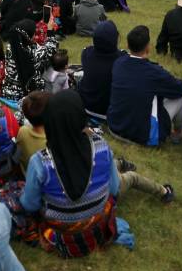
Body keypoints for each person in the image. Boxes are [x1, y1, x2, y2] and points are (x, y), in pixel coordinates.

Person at [20, 91, 171, 259]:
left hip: (59, 233)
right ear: (80, 117)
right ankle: (161, 190)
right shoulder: (101, 147)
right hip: (98, 225)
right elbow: (114, 189)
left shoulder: (39, 161)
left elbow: (29, 205)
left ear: (50, 121)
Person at [107, 26, 182, 146]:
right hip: (141, 136)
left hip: (114, 127)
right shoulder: (154, 73)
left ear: (128, 45)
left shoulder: (118, 63)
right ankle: (179, 132)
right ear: (147, 47)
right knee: (179, 99)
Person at [76, 20, 126, 121]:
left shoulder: (86, 53)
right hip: (110, 111)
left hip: (87, 106)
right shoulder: (123, 60)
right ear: (115, 38)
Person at [1, 19, 59, 102]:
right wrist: (50, 30)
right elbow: (51, 50)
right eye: (34, 34)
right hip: (28, 97)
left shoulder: (10, 47)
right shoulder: (34, 53)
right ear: (28, 36)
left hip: (8, 93)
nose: (35, 36)